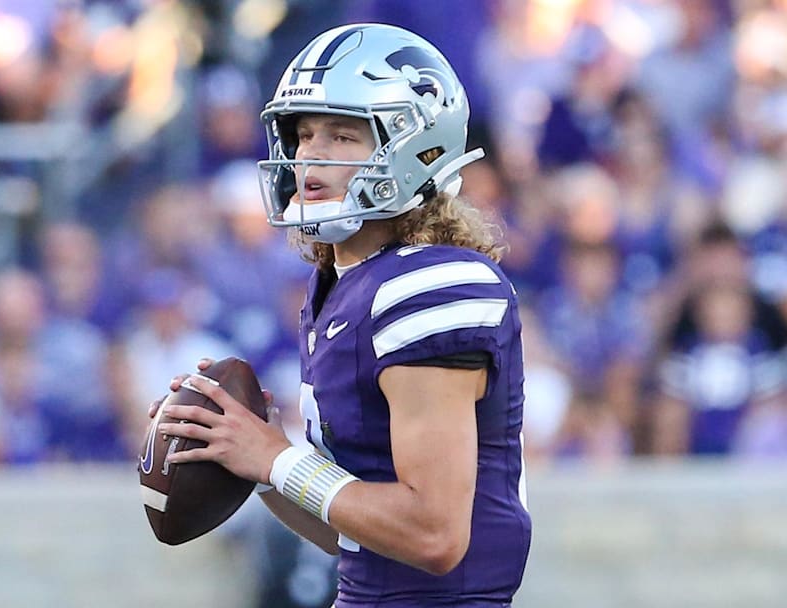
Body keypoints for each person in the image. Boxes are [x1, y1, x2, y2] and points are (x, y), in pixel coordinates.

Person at [151, 24, 531, 607]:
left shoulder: (430, 286)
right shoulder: (338, 286)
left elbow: (434, 535)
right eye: (303, 134)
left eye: (342, 135)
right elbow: (352, 536)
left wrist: (278, 459)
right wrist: (254, 460)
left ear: (414, 146)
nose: (309, 156)